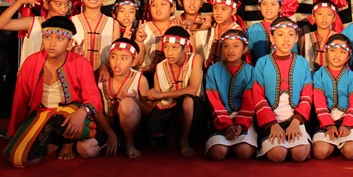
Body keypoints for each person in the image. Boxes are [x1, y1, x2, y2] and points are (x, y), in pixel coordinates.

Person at [4, 17, 102, 167]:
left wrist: (82, 112)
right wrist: (15, 131)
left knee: (65, 117)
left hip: (70, 111)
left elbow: (93, 97)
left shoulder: (80, 63)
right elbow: (20, 99)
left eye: (59, 38)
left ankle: (67, 144)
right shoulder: (31, 62)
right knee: (18, 158)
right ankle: (53, 140)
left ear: (69, 42)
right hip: (41, 113)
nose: (52, 43)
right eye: (47, 37)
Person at [252, 18, 312, 162]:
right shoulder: (262, 63)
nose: (286, 39)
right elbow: (258, 96)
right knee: (278, 155)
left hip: (295, 121)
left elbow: (307, 96)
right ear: (272, 38)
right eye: (280, 34)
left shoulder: (302, 62)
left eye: (290, 34)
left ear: (296, 38)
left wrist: (296, 122)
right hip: (270, 122)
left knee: (299, 155)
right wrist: (273, 124)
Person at [146, 26, 204, 157]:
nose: (169, 52)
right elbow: (157, 98)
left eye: (174, 48)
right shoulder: (160, 66)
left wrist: (163, 94)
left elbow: (193, 89)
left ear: (186, 48)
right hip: (169, 108)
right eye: (166, 47)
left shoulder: (196, 59)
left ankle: (184, 140)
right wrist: (150, 96)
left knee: (188, 100)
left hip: (193, 109)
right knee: (154, 127)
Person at [205, 29, 257, 160]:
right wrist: (226, 125)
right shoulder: (213, 70)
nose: (230, 50)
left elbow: (250, 101)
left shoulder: (252, 71)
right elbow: (213, 100)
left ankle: (235, 141)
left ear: (245, 49)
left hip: (243, 118)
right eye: (226, 46)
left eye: (236, 46)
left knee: (244, 152)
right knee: (218, 153)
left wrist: (240, 124)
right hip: (221, 118)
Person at [99, 37, 152, 158]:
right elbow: (97, 109)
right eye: (113, 57)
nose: (117, 62)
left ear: (133, 62)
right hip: (107, 128)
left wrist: (135, 100)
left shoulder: (140, 79)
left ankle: (129, 143)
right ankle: (111, 142)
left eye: (123, 58)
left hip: (133, 128)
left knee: (127, 103)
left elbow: (150, 112)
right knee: (85, 149)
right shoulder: (102, 76)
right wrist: (109, 133)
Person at [311, 34, 353, 160]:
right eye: (333, 50)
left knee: (351, 152)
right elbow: (319, 102)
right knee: (320, 152)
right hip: (325, 121)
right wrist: (329, 124)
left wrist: (347, 124)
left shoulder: (352, 77)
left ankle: (340, 143)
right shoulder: (318, 75)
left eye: (342, 52)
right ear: (326, 52)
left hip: (347, 120)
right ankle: (334, 143)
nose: (337, 55)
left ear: (348, 56)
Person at [0, 0, 71, 67]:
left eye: (67, 4)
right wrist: (20, 2)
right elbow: (0, 24)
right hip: (32, 72)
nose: (63, 9)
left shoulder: (69, 27)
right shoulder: (34, 23)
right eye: (58, 4)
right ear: (46, 5)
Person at [71, 0, 121, 75]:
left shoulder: (113, 24)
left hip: (104, 76)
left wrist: (106, 66)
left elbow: (116, 53)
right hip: (76, 74)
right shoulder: (72, 21)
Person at [195, 0, 242, 68]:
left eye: (224, 9)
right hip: (210, 68)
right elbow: (191, 27)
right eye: (215, 8)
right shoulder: (214, 25)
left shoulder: (236, 32)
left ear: (233, 11)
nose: (218, 12)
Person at [134, 0, 176, 78]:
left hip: (172, 76)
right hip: (146, 76)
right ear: (149, 8)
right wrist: (139, 41)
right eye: (154, 5)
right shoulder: (143, 28)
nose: (158, 8)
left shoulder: (178, 29)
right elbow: (138, 61)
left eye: (163, 4)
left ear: (172, 8)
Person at [247, 0, 291, 64]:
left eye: (273, 4)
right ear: (260, 7)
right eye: (264, 4)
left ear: (280, 7)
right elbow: (247, 56)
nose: (268, 8)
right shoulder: (253, 30)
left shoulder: (288, 28)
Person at [301, 0, 341, 72]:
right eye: (320, 14)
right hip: (309, 77)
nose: (324, 18)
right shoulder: (305, 38)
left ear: (334, 18)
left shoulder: (339, 39)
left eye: (329, 14)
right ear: (313, 17)